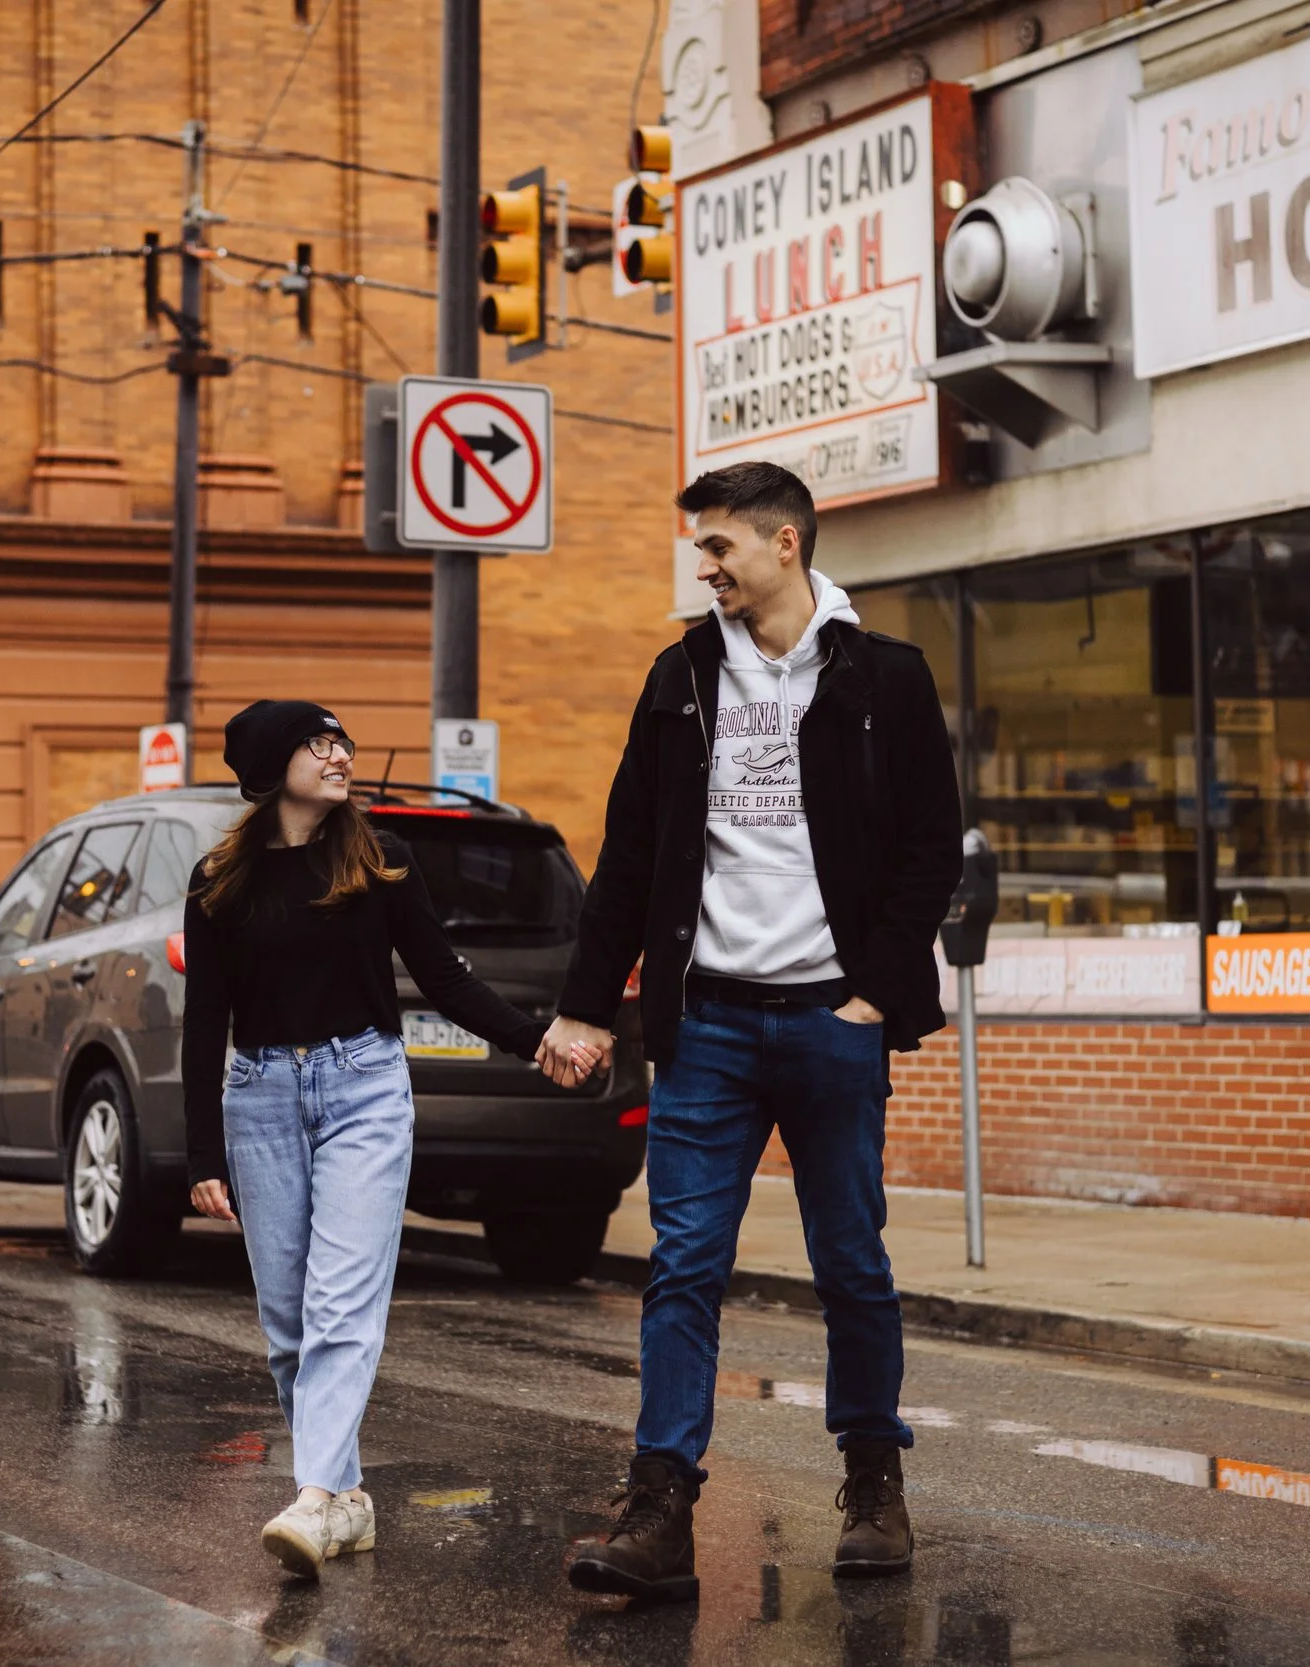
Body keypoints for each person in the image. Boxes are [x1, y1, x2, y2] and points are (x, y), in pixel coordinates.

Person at [541, 461, 962, 1601]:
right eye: (700, 546)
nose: (705, 565)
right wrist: (585, 1001)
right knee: (683, 1264)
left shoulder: (884, 676)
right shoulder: (680, 678)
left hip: (832, 1019)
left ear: (786, 542)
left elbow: (934, 846)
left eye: (720, 544)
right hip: (710, 1023)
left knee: (852, 1265)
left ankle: (874, 1480)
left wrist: (873, 991)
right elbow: (629, 854)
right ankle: (660, 1506)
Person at [183, 699, 590, 1579]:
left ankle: (312, 1499)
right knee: (287, 1324)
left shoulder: (382, 858)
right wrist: (200, 1155)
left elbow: (444, 979)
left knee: (341, 1308)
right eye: (316, 743)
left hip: (364, 1089)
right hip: (259, 1095)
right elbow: (202, 1020)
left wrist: (537, 1038)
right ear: (268, 766)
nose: (338, 754)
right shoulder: (220, 876)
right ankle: (348, 1497)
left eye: (341, 742)